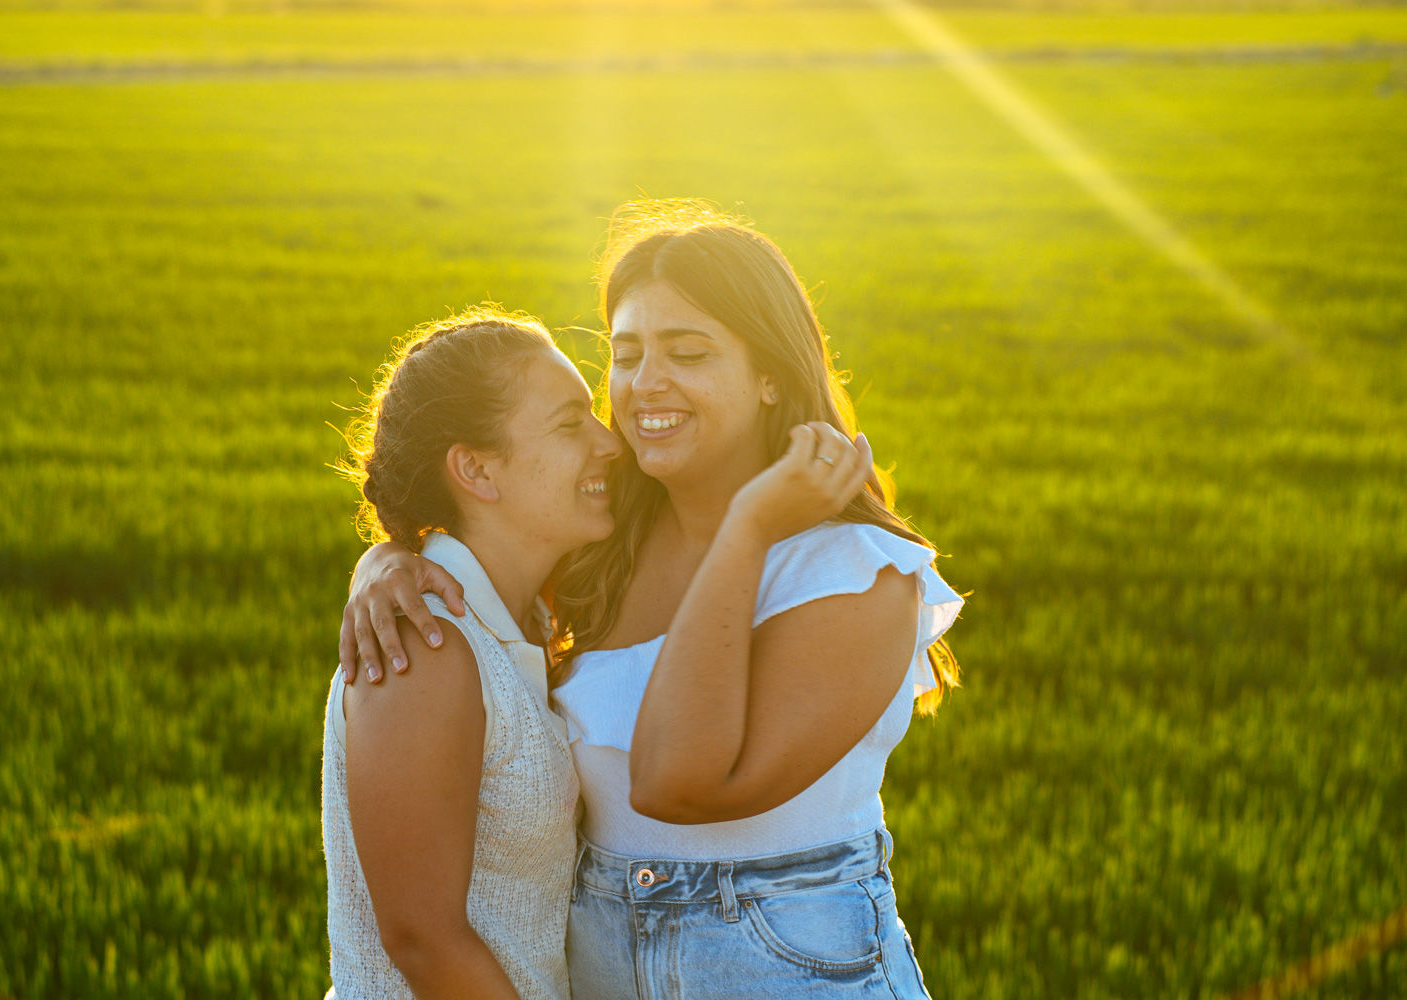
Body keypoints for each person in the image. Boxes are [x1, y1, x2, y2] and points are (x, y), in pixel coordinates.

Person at [340, 202, 965, 998]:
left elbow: (677, 784)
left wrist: (747, 526)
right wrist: (390, 563)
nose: (645, 384)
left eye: (689, 352)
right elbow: (481, 541)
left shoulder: (855, 575)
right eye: (627, 353)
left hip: (790, 974)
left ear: (770, 373)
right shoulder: (603, 549)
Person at [321, 307, 621, 1000]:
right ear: (476, 470)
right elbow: (422, 941)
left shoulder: (534, 616)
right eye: (571, 424)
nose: (609, 443)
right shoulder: (425, 649)